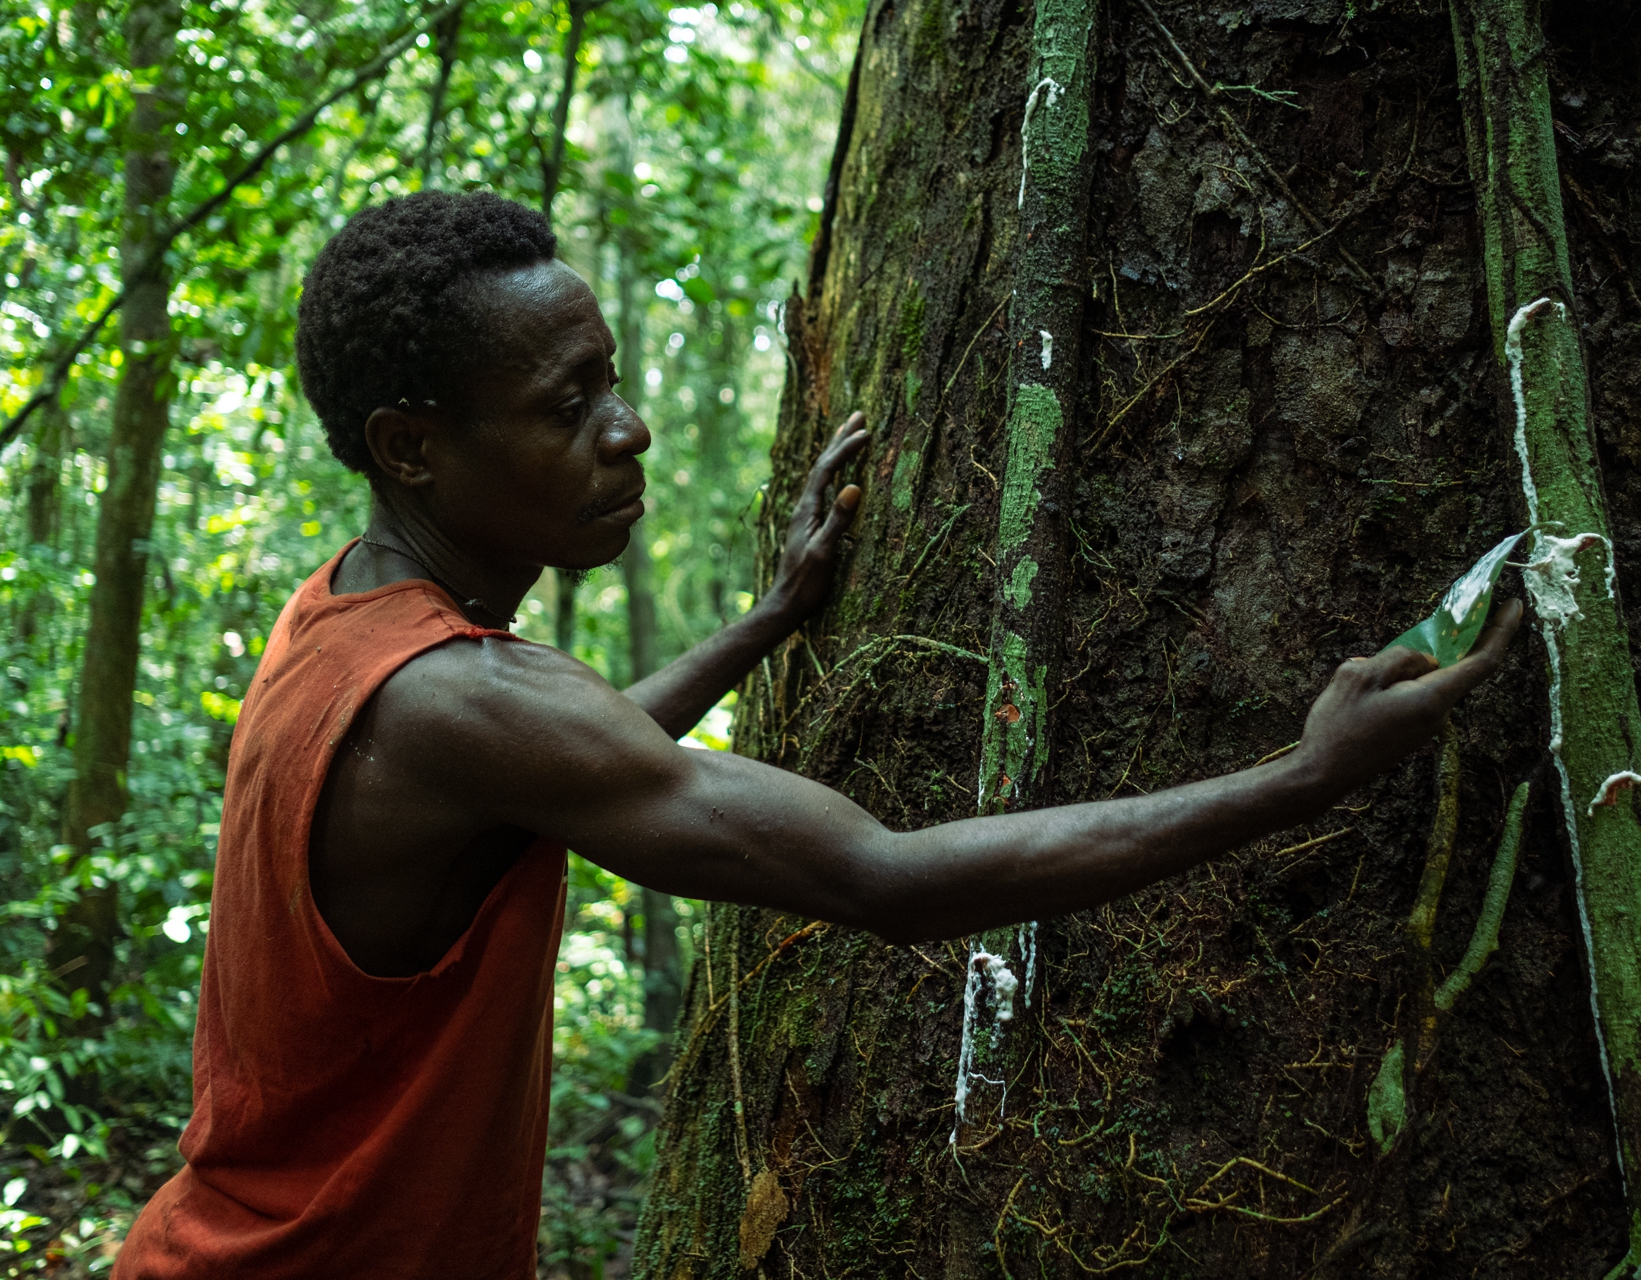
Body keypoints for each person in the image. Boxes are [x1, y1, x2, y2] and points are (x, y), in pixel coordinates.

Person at [113, 191, 1519, 1278]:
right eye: (569, 406)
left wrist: (771, 620)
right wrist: (1301, 776)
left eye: (610, 379)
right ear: (411, 447)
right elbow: (882, 879)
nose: (633, 429)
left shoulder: (344, 626)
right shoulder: (455, 700)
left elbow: (557, 766)